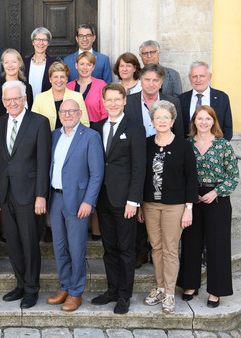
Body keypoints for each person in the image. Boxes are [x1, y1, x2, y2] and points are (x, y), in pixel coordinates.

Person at [0, 81, 51, 309]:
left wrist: (41, 195)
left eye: (17, 98)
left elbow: (43, 162)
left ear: (25, 99)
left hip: (30, 195)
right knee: (14, 243)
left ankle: (31, 289)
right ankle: (19, 284)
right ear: (3, 102)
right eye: (8, 99)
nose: (13, 103)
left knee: (29, 243)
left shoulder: (39, 123)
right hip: (7, 195)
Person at [90, 83, 146, 314]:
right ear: (103, 102)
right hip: (102, 199)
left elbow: (139, 167)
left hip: (125, 201)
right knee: (109, 247)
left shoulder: (135, 128)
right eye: (108, 100)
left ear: (124, 101)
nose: (112, 103)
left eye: (117, 99)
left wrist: (134, 201)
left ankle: (124, 295)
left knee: (126, 249)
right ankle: (112, 289)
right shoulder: (97, 127)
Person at [138, 100, 198, 314]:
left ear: (173, 121)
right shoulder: (146, 144)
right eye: (158, 118)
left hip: (175, 206)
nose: (162, 121)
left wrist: (189, 208)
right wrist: (139, 206)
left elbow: (192, 179)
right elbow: (140, 176)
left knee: (170, 249)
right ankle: (160, 287)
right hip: (150, 205)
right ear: (152, 121)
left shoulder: (183, 145)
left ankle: (170, 293)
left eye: (166, 117)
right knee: (156, 247)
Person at [177, 105, 239, 308]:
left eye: (207, 119)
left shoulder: (223, 145)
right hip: (192, 199)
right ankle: (190, 285)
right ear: (194, 121)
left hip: (217, 199)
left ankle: (216, 290)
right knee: (191, 241)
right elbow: (180, 173)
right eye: (199, 118)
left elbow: (233, 177)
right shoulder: (186, 144)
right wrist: (189, 194)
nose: (203, 122)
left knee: (218, 245)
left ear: (214, 122)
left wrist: (216, 192)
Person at [124, 64, 185, 268]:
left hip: (165, 157)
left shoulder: (173, 102)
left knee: (159, 201)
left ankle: (159, 249)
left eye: (155, 81)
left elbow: (180, 133)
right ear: (140, 80)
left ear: (161, 82)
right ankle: (141, 250)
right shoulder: (129, 101)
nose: (151, 84)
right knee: (140, 201)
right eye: (147, 80)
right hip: (138, 158)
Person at [47, 99, 104, 312]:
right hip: (55, 198)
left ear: (80, 113)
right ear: (59, 114)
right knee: (59, 247)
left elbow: (97, 173)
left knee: (76, 247)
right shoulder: (54, 136)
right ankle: (64, 287)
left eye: (72, 111)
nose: (68, 115)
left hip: (79, 201)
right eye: (64, 111)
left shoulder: (90, 136)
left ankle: (76, 292)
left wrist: (89, 201)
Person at [0, 49, 34, 138]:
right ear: (3, 65)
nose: (10, 65)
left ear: (20, 63)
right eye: (7, 62)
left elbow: (30, 114)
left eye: (14, 62)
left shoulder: (27, 88)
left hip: (25, 138)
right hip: (2, 138)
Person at [178, 61, 233, 141]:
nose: (198, 80)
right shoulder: (181, 99)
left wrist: (218, 148)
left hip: (215, 150)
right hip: (188, 149)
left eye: (202, 76)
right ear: (189, 77)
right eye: (194, 76)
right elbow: (178, 129)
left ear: (210, 76)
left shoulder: (222, 98)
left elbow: (227, 128)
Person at [32, 62, 90, 131]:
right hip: (46, 140)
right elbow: (34, 124)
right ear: (50, 79)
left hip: (71, 139)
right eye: (55, 77)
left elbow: (85, 124)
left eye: (62, 77)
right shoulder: (39, 98)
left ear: (67, 79)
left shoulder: (77, 97)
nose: (59, 80)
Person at [66, 51, 107, 123]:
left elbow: (105, 112)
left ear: (93, 67)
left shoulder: (101, 85)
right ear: (76, 65)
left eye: (89, 65)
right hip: (72, 129)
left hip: (95, 129)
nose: (85, 68)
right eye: (81, 64)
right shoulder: (68, 86)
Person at [23, 27, 57, 99]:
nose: (41, 43)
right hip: (27, 106)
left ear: (48, 43)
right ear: (33, 42)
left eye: (44, 40)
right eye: (37, 39)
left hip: (46, 106)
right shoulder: (24, 63)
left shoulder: (54, 64)